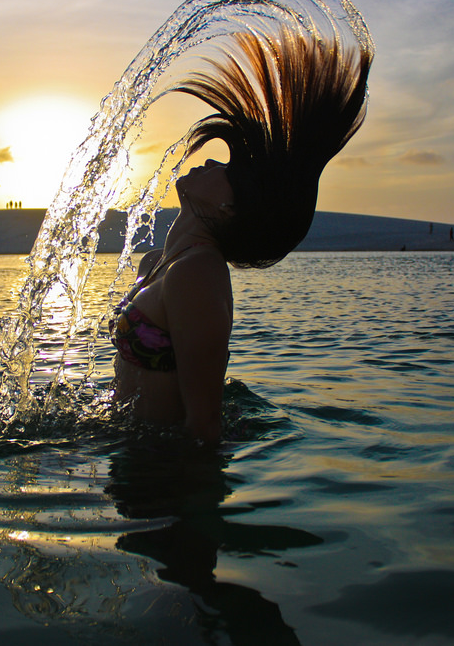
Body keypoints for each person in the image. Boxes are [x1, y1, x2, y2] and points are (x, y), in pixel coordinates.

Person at [109, 27, 372, 442]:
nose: (213, 161)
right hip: (130, 462)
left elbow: (204, 426)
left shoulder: (198, 274)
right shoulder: (158, 263)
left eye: (227, 171)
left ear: (230, 207)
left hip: (160, 484)